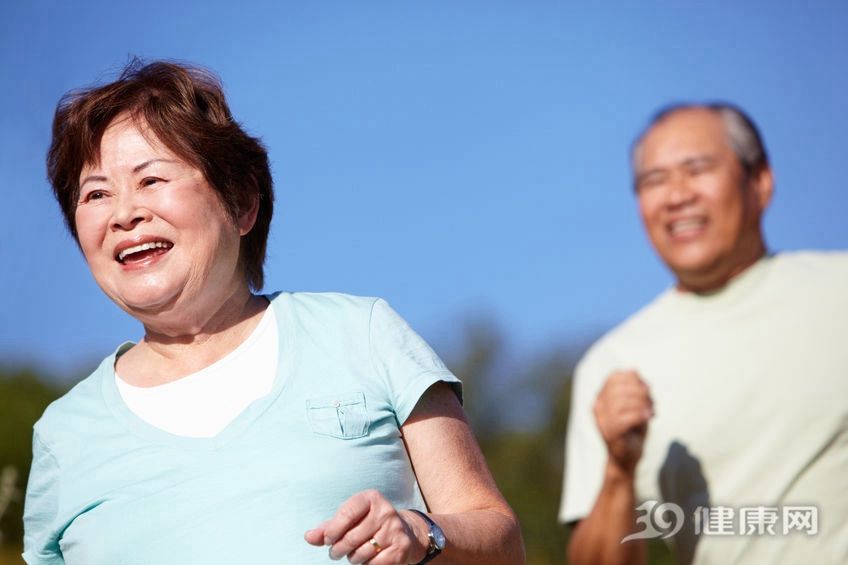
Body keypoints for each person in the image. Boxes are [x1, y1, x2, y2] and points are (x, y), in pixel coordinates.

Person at [23, 60, 524, 565]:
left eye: (151, 180)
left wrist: (422, 534)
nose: (123, 214)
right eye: (95, 193)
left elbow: (500, 540)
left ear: (241, 202)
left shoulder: (361, 334)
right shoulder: (63, 435)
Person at [560, 103, 848, 564]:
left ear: (760, 182)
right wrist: (619, 469)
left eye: (697, 169)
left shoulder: (839, 293)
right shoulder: (612, 363)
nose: (676, 196)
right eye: (654, 180)